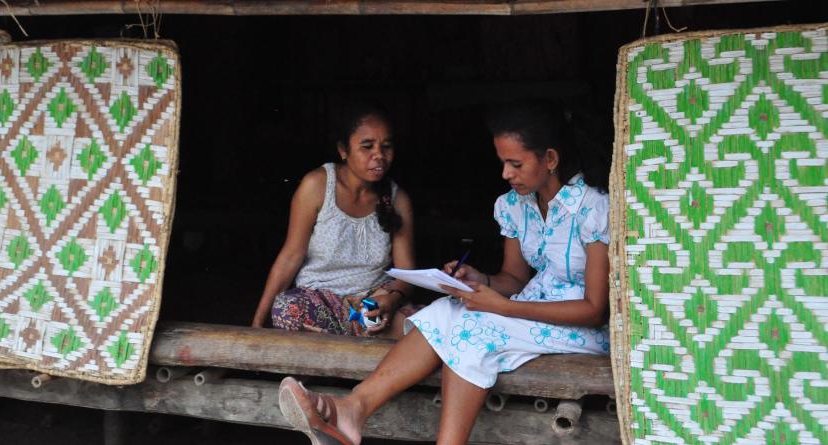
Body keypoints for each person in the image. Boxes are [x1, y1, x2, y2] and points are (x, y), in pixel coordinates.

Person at [277, 102, 612, 445]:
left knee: (470, 332)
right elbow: (514, 280)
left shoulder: (593, 207)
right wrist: (480, 281)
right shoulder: (515, 205)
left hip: (581, 329)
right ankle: (352, 409)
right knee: (444, 311)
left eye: (516, 164)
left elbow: (595, 310)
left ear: (550, 159)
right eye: (503, 163)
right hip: (531, 311)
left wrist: (504, 307)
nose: (505, 174)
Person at [251, 103, 415, 338]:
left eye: (386, 146)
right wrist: (257, 323)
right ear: (343, 150)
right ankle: (353, 345)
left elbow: (406, 273)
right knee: (288, 308)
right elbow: (290, 256)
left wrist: (392, 299)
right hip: (320, 303)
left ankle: (336, 349)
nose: (379, 155)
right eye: (367, 146)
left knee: (419, 329)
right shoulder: (317, 186)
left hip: (374, 304)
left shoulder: (398, 200)